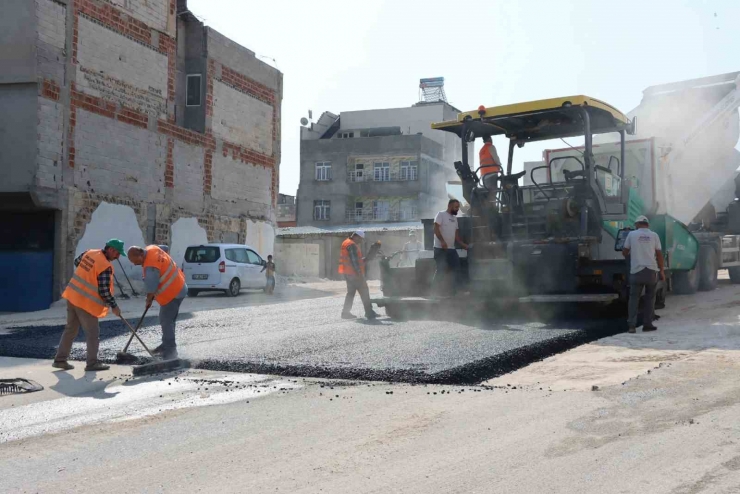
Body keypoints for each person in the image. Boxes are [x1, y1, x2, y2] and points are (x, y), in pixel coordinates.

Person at [53, 239, 126, 371]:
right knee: (92, 333)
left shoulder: (89, 252)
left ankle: (60, 360)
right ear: (110, 250)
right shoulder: (105, 266)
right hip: (86, 303)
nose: (118, 256)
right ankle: (92, 363)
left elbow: (77, 262)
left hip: (72, 296)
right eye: (117, 253)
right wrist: (114, 306)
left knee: (70, 330)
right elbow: (104, 290)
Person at [126, 245, 187, 360]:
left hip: (173, 293)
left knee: (166, 320)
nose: (134, 264)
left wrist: (148, 299)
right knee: (169, 319)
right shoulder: (152, 248)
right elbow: (165, 248)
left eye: (134, 261)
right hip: (180, 286)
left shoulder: (150, 266)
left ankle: (170, 351)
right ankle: (166, 344)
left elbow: (152, 286)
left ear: (140, 255)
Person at [622, 215, 666, 333]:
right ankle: (647, 324)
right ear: (647, 225)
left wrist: (631, 253)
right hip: (651, 272)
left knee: (634, 299)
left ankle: (632, 326)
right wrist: (661, 270)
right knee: (650, 298)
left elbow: (625, 252)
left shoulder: (631, 235)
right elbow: (659, 255)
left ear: (637, 224)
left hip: (636, 272)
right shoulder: (654, 235)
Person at [339, 230, 379, 320]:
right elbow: (354, 261)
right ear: (356, 236)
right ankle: (369, 313)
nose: (360, 241)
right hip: (354, 274)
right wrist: (359, 273)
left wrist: (367, 258)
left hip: (348, 273)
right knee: (364, 291)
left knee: (350, 293)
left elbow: (356, 259)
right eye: (360, 239)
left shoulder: (346, 242)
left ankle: (345, 313)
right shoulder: (352, 245)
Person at [433, 200, 469, 295]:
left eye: (458, 207)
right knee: (441, 269)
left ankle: (456, 291)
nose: (457, 209)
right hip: (440, 249)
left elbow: (456, 236)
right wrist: (442, 241)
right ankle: (435, 292)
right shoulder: (441, 214)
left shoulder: (455, 219)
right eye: (456, 207)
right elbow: (436, 229)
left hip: (451, 249)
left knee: (456, 268)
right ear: (449, 206)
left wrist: (462, 244)